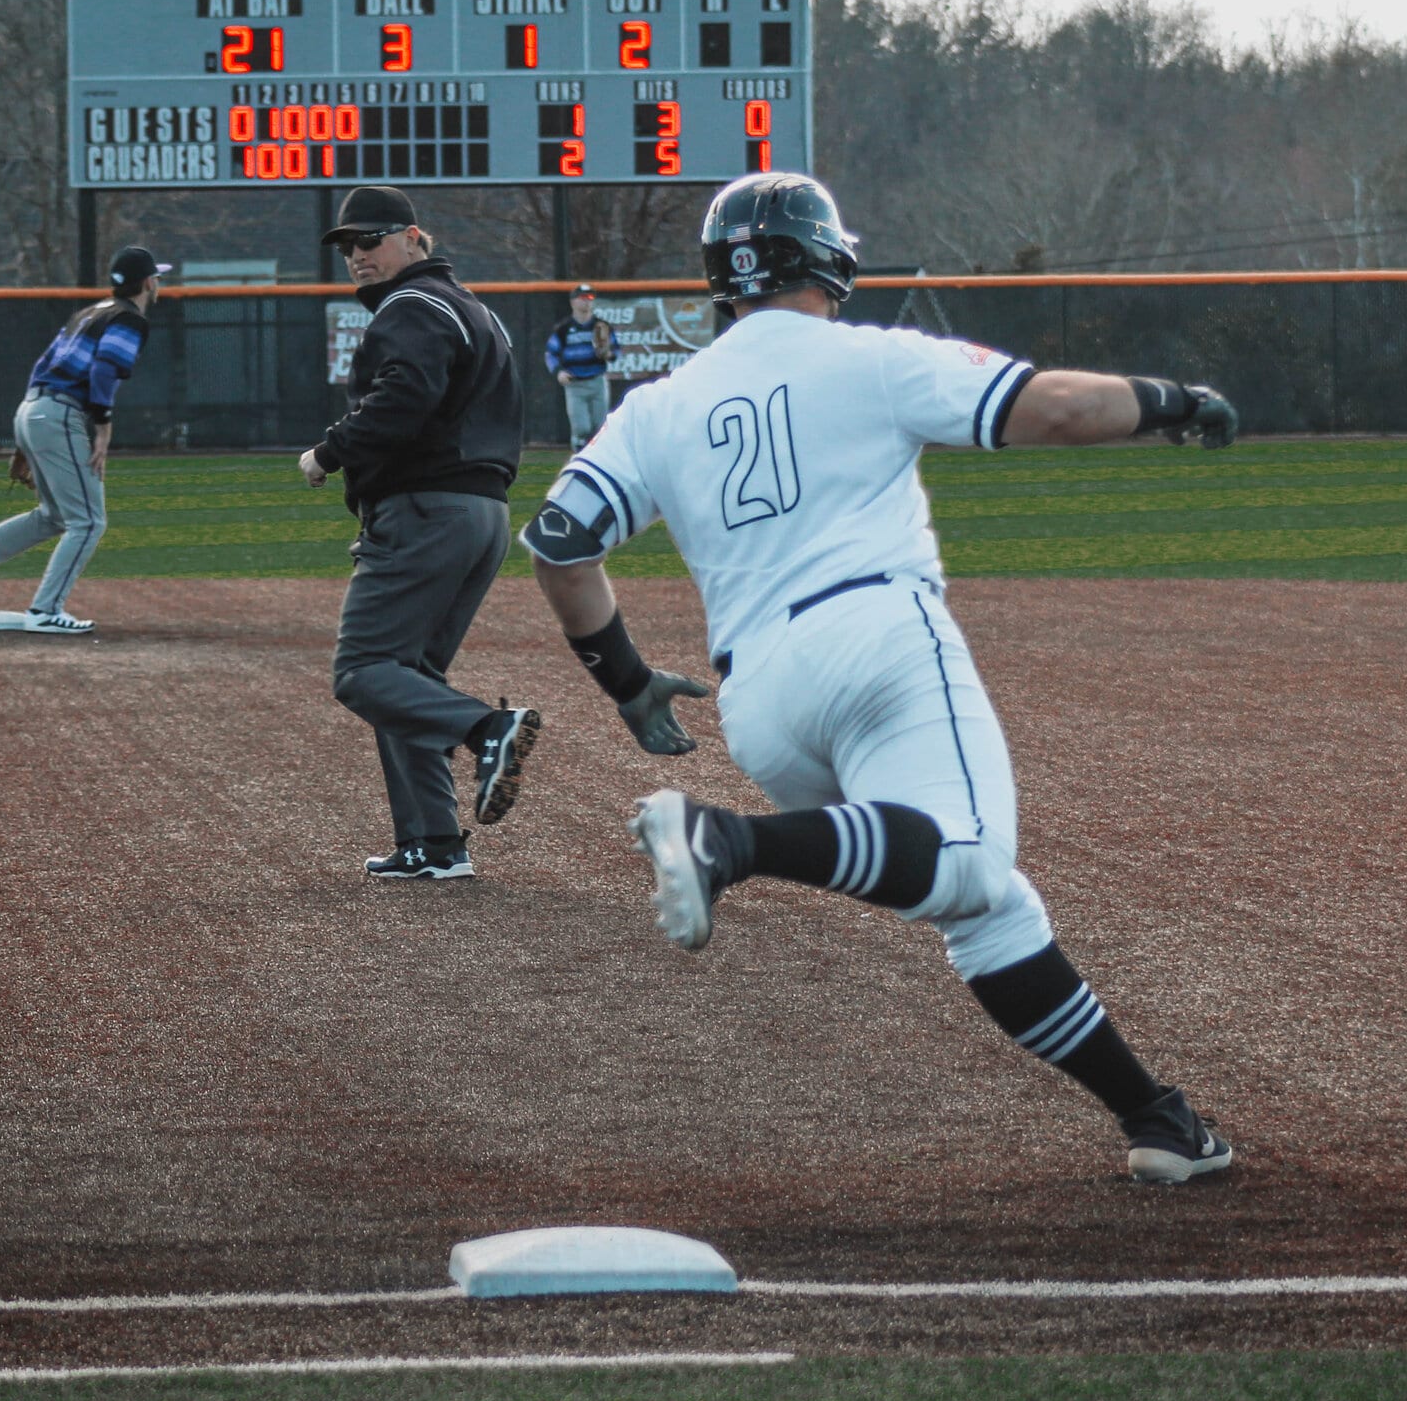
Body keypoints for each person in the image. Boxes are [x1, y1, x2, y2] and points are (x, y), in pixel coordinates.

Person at [519, 172, 1244, 1185]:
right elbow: (1063, 409)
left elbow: (557, 543)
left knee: (976, 903)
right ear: (828, 258)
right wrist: (1176, 401)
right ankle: (724, 837)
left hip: (761, 699)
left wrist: (626, 678)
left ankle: (1157, 1118)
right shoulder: (870, 356)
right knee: (968, 860)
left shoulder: (658, 406)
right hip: (876, 636)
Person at [298, 187, 538, 882]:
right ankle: (435, 843)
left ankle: (488, 730)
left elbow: (403, 394)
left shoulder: (412, 306)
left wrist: (330, 452)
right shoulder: (476, 309)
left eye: (369, 240)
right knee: (406, 676)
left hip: (428, 508)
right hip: (481, 512)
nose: (357, 256)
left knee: (364, 670)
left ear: (411, 237)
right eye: (347, 247)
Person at [0, 244, 166, 633]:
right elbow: (105, 370)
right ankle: (45, 611)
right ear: (146, 282)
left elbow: (43, 365)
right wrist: (104, 429)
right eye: (157, 276)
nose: (159, 282)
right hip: (58, 414)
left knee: (56, 516)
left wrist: (24, 438)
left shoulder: (89, 312)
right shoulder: (130, 319)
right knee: (88, 522)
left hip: (34, 408)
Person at [545, 281, 616, 452]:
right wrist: (558, 372)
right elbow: (550, 354)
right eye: (582, 298)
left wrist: (608, 354)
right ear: (573, 302)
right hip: (575, 383)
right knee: (582, 428)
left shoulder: (601, 326)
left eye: (590, 297)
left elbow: (615, 351)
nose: (586, 301)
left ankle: (597, 459)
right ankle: (578, 452)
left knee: (600, 428)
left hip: (597, 381)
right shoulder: (564, 329)